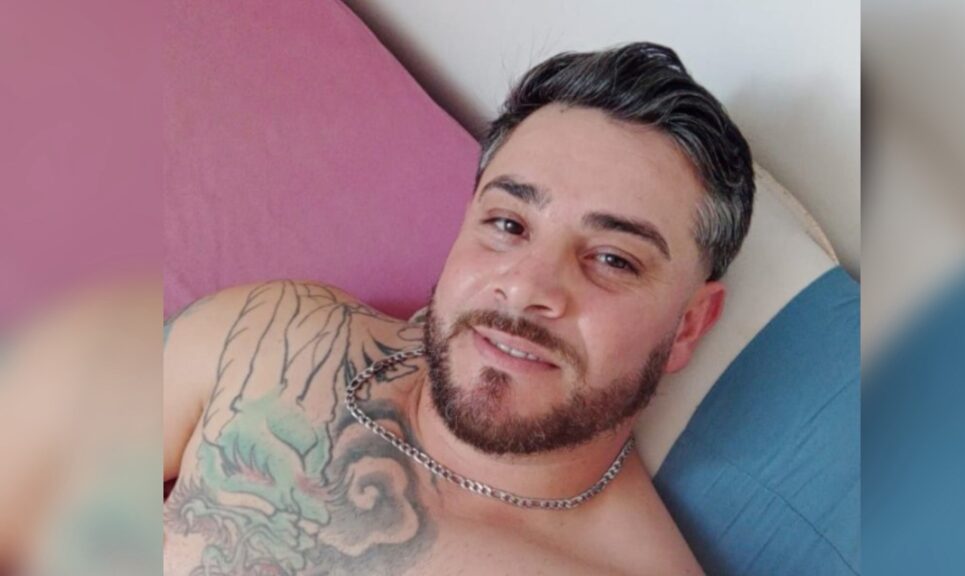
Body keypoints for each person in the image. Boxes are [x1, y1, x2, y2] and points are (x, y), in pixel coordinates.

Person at [163, 41, 754, 576]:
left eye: (612, 259)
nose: (525, 288)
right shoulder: (272, 337)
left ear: (688, 327)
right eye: (508, 224)